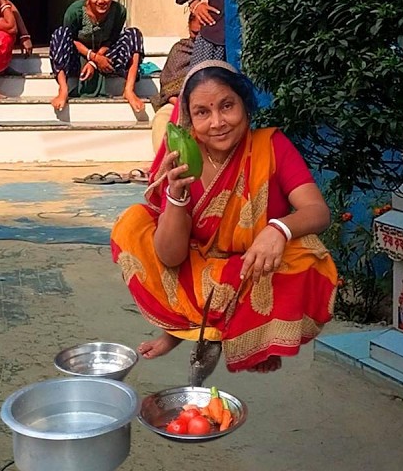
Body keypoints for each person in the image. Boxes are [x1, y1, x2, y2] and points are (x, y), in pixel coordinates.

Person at [110, 61, 339, 374]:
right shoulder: (182, 158)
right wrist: (176, 197)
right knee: (132, 225)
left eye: (227, 106)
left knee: (310, 256)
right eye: (203, 112)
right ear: (189, 119)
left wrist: (279, 229)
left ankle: (245, 336)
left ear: (244, 105)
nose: (217, 122)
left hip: (252, 266)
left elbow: (318, 212)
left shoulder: (271, 145)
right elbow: (171, 257)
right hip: (198, 267)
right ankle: (184, 330)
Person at [48, 0, 146, 113]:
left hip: (106, 57)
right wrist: (91, 57)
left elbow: (112, 39)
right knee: (60, 33)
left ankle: (129, 90)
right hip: (78, 56)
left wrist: (96, 61)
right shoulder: (75, 11)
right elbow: (71, 39)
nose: (101, 1)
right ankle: (63, 89)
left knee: (134, 34)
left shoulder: (118, 11)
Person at [149, 13, 201, 152]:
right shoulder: (180, 49)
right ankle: (164, 166)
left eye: (202, 34)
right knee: (162, 119)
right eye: (194, 32)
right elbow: (168, 87)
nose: (197, 38)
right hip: (177, 102)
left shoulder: (218, 50)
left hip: (208, 106)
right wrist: (182, 105)